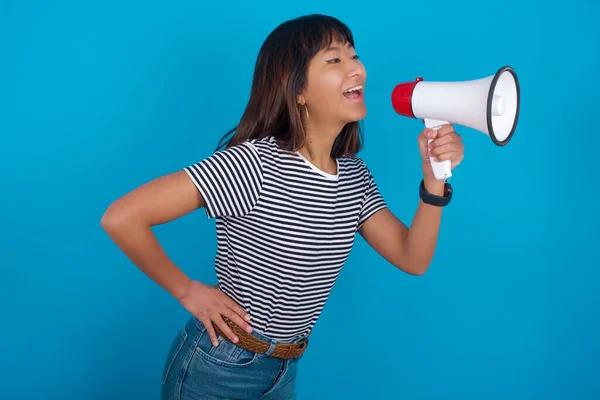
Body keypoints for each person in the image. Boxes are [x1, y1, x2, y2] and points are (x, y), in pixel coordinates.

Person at [101, 13, 464, 400]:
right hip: (221, 366)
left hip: (284, 369)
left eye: (354, 55)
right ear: (298, 90)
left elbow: (413, 258)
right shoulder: (254, 165)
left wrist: (433, 180)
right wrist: (188, 290)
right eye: (334, 59)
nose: (356, 67)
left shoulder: (355, 178)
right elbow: (122, 217)